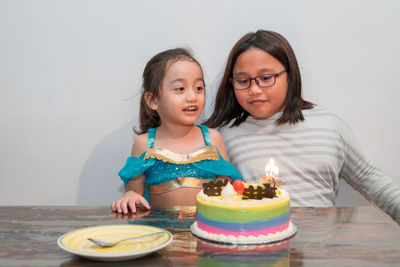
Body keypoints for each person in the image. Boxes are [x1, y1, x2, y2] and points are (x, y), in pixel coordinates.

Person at [205, 30, 400, 224]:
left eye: (266, 78)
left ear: (289, 75)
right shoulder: (223, 135)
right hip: (260, 248)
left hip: (322, 248)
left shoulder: (328, 124)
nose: (254, 90)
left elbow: (371, 179)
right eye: (243, 81)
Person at [112, 48, 243, 214]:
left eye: (199, 88)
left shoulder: (212, 139)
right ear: (153, 100)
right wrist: (129, 196)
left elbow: (230, 190)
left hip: (206, 230)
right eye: (180, 89)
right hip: (162, 235)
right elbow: (134, 192)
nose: (192, 97)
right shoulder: (145, 144)